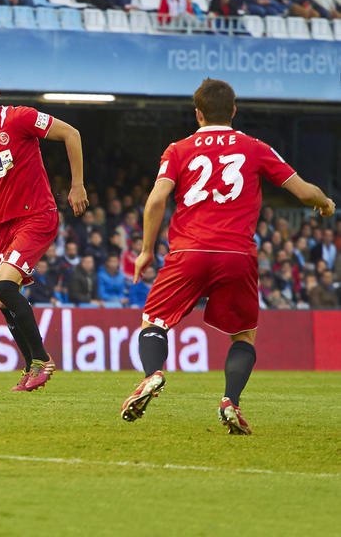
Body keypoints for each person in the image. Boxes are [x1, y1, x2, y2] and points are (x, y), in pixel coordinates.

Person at [120, 78, 335, 435]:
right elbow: (303, 191)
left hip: (188, 250)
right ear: (233, 111)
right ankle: (229, 402)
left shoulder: (178, 149)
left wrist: (145, 251)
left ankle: (153, 374)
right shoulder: (255, 147)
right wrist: (325, 203)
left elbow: (157, 200)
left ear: (198, 114)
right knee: (243, 336)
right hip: (236, 253)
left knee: (154, 322)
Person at [0, 68, 88, 391]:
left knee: (2, 285)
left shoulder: (19, 119)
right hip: (4, 223)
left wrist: (77, 185)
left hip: (37, 215)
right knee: (4, 300)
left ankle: (42, 359)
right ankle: (31, 367)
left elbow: (71, 134)